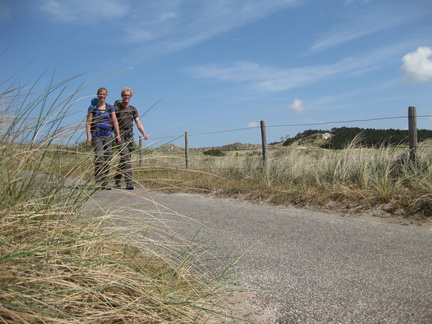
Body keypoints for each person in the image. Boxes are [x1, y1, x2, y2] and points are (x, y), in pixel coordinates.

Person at [113, 87, 149, 190]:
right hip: (119, 135)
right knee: (126, 158)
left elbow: (138, 122)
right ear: (122, 96)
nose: (126, 97)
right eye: (125, 95)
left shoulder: (132, 109)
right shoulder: (117, 109)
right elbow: (113, 121)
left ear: (131, 97)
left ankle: (117, 177)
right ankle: (129, 182)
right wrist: (117, 134)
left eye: (128, 95)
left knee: (125, 159)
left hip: (129, 136)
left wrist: (144, 133)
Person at [86, 87, 121, 190]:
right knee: (99, 157)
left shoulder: (110, 108)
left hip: (108, 134)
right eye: (100, 94)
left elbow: (115, 121)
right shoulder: (92, 107)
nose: (102, 96)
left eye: (104, 94)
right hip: (97, 134)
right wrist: (88, 137)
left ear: (106, 96)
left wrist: (118, 134)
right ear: (97, 95)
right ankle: (99, 180)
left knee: (108, 157)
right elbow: (88, 122)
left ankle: (105, 181)